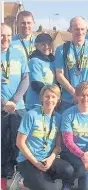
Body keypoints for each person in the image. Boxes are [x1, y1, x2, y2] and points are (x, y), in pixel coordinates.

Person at [16, 85, 74, 190]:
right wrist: (36, 163)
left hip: (46, 159)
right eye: (47, 96)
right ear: (41, 98)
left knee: (68, 170)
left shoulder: (59, 118)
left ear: (58, 100)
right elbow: (20, 143)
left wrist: (51, 159)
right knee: (49, 188)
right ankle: (24, 180)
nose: (50, 100)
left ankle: (36, 180)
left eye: (53, 97)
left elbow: (58, 146)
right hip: (28, 160)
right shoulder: (31, 115)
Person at [60, 82, 88, 190]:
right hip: (72, 155)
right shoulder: (68, 114)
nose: (85, 98)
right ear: (76, 96)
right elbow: (68, 141)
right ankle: (69, 180)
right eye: (82, 95)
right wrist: (82, 155)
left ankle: (82, 178)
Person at [54, 17, 88, 113]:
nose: (80, 32)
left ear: (86, 30)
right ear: (70, 29)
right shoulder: (62, 49)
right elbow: (59, 75)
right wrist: (75, 94)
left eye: (82, 29)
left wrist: (87, 93)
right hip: (69, 100)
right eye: (76, 29)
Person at [1, 23, 30, 179]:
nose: (5, 39)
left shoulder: (18, 53)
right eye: (2, 35)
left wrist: (14, 100)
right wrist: (4, 103)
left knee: (18, 141)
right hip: (1, 107)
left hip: (18, 106)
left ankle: (19, 171)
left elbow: (25, 78)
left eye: (9, 35)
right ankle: (4, 173)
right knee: (2, 142)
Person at [26, 33, 56, 110]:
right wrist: (53, 95)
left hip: (50, 103)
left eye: (49, 44)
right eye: (43, 44)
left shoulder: (53, 61)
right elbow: (37, 85)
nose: (46, 47)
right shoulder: (34, 61)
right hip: (36, 104)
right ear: (36, 46)